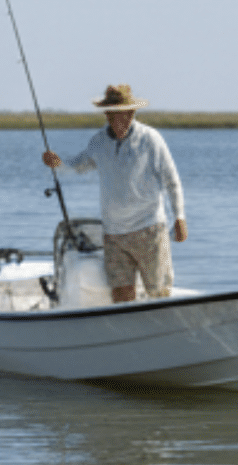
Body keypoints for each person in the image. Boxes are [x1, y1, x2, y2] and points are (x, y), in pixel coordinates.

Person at [42, 84, 186, 302]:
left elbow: (172, 180)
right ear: (107, 115)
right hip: (114, 235)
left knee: (159, 293)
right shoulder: (98, 141)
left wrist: (179, 217)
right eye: (113, 114)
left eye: (125, 114)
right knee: (120, 295)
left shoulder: (151, 139)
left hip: (150, 230)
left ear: (132, 113)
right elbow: (78, 165)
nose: (120, 119)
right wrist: (58, 163)